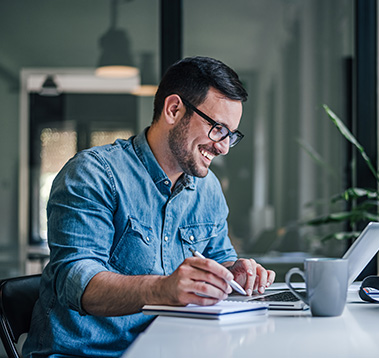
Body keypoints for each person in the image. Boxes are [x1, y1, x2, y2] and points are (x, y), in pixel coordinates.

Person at [23, 56, 276, 357]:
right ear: (173, 109)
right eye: (218, 128)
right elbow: (76, 279)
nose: (222, 147)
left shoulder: (208, 189)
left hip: (167, 349)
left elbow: (219, 259)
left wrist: (235, 272)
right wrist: (163, 289)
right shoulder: (93, 173)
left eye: (231, 135)